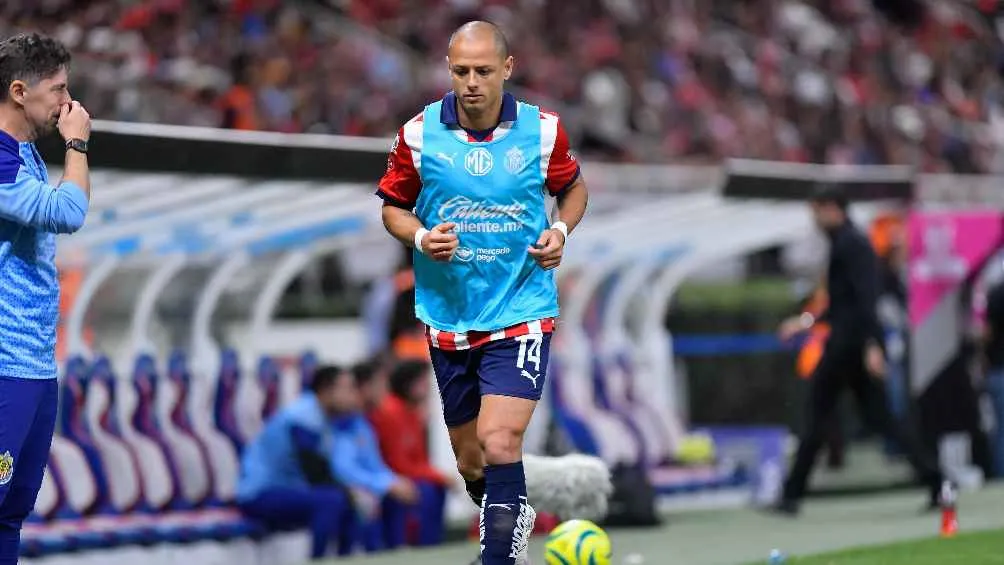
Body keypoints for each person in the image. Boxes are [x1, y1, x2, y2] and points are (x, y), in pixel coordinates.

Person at [375, 20, 588, 565]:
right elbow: (393, 208)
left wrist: (560, 231)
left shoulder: (543, 131)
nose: (472, 82)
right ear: (449, 70)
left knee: (499, 441)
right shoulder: (418, 135)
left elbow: (572, 189)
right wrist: (421, 237)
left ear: (507, 69)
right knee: (472, 461)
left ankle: (499, 557)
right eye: (461, 71)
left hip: (522, 308)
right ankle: (510, 515)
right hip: (449, 317)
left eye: (484, 71)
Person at [774, 186, 943, 515]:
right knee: (879, 420)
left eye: (818, 210)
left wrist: (872, 345)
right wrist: (806, 322)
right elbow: (843, 303)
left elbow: (866, 301)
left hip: (848, 347)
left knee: (819, 416)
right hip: (848, 344)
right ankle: (936, 480)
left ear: (833, 208)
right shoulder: (846, 243)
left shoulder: (852, 245)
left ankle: (791, 495)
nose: (814, 219)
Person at [0, 33, 91, 564]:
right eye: (57, 89)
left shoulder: (27, 154)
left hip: (34, 365)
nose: (67, 102)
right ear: (18, 91)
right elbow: (68, 213)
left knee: (11, 513)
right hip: (4, 365)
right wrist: (77, 145)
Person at [236, 365, 353, 560]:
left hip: (287, 491)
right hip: (260, 494)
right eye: (347, 388)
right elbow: (314, 472)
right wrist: (350, 491)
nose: (352, 396)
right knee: (331, 500)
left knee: (349, 504)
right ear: (326, 390)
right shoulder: (304, 416)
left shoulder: (324, 419)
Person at [330, 364, 419, 553]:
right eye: (381, 384)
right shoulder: (344, 423)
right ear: (365, 388)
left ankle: (398, 551)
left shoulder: (362, 422)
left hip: (366, 485)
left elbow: (375, 464)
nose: (386, 391)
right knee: (368, 500)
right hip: (345, 488)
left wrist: (393, 481)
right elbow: (343, 469)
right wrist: (385, 484)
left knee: (403, 491)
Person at [369, 360, 451, 547]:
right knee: (428, 490)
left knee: (437, 487)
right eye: (423, 381)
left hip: (406, 475)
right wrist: (438, 476)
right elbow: (397, 463)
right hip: (391, 476)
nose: (428, 386)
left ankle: (432, 546)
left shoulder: (412, 412)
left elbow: (419, 458)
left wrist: (439, 476)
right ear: (408, 383)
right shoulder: (390, 412)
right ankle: (419, 546)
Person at [983, 274, 1004, 478]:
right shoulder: (997, 293)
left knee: (1001, 429)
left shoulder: (997, 292)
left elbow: (987, 333)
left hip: (998, 368)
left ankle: (1000, 473)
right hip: (999, 369)